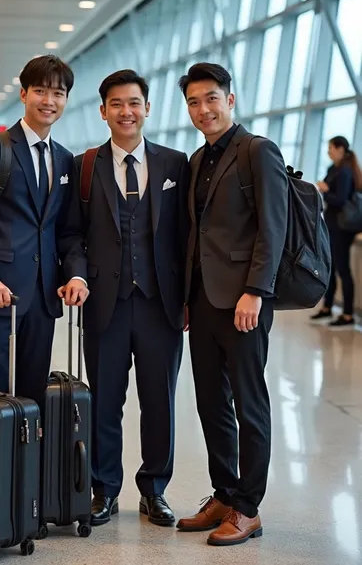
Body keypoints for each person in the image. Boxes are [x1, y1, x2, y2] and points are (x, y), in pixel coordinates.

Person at [70, 69, 189, 527]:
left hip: (161, 304)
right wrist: (77, 276)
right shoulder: (83, 167)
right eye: (116, 104)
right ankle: (104, 489)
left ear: (148, 108)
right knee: (105, 400)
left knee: (159, 401)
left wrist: (188, 300)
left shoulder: (176, 164)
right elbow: (70, 235)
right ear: (103, 111)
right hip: (105, 303)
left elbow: (187, 236)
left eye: (134, 102)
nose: (126, 111)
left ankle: (154, 490)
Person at [176, 63, 288, 546]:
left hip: (244, 300)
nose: (203, 110)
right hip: (203, 301)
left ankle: (248, 507)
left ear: (230, 100)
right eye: (194, 102)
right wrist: (186, 299)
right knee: (210, 403)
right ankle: (224, 492)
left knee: (249, 403)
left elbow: (273, 226)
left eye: (211, 99)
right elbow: (195, 237)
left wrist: (257, 291)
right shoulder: (199, 161)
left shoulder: (257, 151)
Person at [0, 55, 88, 405]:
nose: (49, 100)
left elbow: (67, 231)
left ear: (66, 100)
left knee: (32, 398)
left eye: (58, 93)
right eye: (40, 91)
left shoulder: (63, 159)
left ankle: (26, 462)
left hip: (43, 298)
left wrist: (76, 276)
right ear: (24, 93)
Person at [312, 136, 362, 327]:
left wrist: (325, 190)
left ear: (341, 149)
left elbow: (340, 199)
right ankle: (327, 307)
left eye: (331, 148)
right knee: (330, 267)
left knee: (342, 268)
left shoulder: (345, 172)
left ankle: (348, 313)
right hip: (333, 225)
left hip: (343, 228)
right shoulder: (334, 169)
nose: (328, 152)